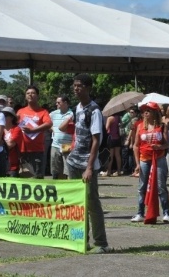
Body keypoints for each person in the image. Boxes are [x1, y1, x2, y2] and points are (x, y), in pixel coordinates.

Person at [64, 73, 110, 253]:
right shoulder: (77, 108)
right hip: (73, 161)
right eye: (74, 86)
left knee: (92, 203)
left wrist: (90, 167)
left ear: (88, 88)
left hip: (87, 164)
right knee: (77, 203)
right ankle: (81, 240)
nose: (76, 89)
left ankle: (101, 243)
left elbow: (96, 140)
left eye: (80, 86)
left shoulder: (94, 111)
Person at [131, 101, 169, 223]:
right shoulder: (140, 126)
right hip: (144, 159)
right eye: (144, 111)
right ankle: (140, 213)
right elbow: (136, 146)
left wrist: (159, 147)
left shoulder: (162, 126)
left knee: (161, 186)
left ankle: (166, 213)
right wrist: (137, 163)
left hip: (159, 158)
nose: (145, 113)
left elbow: (166, 144)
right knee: (142, 187)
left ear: (154, 112)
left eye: (148, 110)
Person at [17, 86, 52, 179]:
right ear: (25, 96)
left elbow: (49, 124)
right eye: (28, 93)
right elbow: (13, 125)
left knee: (37, 178)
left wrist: (32, 130)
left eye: (33, 93)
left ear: (37, 96)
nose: (30, 95)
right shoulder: (20, 112)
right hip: (22, 151)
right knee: (24, 179)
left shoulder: (43, 112)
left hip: (37, 150)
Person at [49, 96, 74, 179]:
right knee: (56, 169)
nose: (56, 104)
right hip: (55, 144)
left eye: (59, 102)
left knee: (67, 169)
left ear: (65, 103)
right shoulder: (53, 113)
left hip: (67, 144)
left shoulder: (72, 114)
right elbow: (46, 122)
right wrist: (51, 128)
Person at [2, 107, 22, 177]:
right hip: (0, 164)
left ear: (12, 117)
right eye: (2, 115)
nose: (3, 117)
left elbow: (9, 145)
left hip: (12, 167)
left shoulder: (16, 129)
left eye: (5, 115)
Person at [101, 112, 122, 177]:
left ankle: (109, 171)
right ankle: (119, 171)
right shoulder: (118, 118)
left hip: (111, 138)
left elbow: (106, 128)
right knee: (118, 155)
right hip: (118, 138)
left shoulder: (110, 118)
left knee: (110, 156)